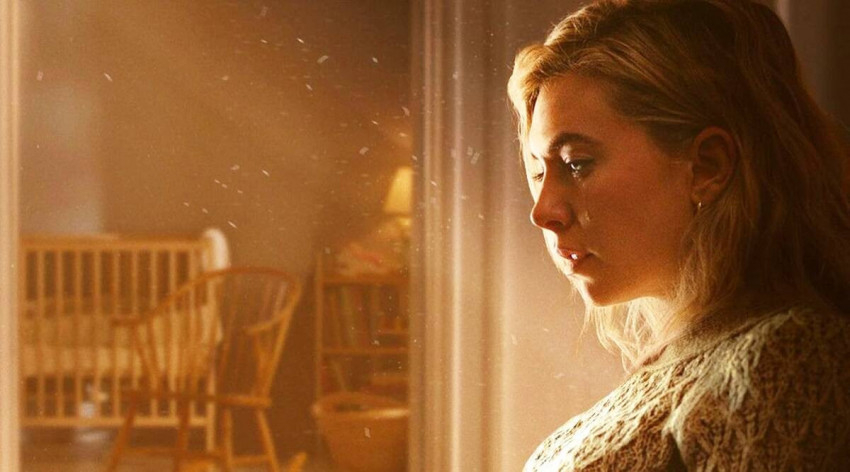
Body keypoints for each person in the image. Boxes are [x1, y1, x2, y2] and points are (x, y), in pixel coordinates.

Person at [507, 0, 850, 470]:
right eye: (537, 171)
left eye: (576, 164)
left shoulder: (787, 358)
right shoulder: (675, 374)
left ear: (707, 166)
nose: (543, 212)